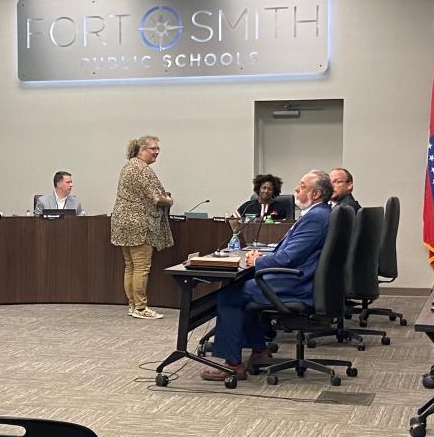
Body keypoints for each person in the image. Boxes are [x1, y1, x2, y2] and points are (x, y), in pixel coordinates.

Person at [202, 170, 333, 381]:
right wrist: (263, 256)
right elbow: (292, 253)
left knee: (229, 296)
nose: (297, 189)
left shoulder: (315, 219)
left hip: (294, 283)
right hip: (300, 278)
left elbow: (288, 259)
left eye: (302, 186)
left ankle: (232, 365)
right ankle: (259, 350)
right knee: (243, 292)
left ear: (316, 194)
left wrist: (258, 261)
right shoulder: (321, 214)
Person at [110, 135, 173, 320]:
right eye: (153, 148)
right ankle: (141, 307)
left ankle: (132, 305)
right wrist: (169, 200)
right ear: (141, 150)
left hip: (123, 222)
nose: (157, 152)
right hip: (139, 224)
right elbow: (157, 198)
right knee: (141, 267)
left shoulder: (128, 166)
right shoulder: (142, 169)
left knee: (130, 266)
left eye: (157, 148)